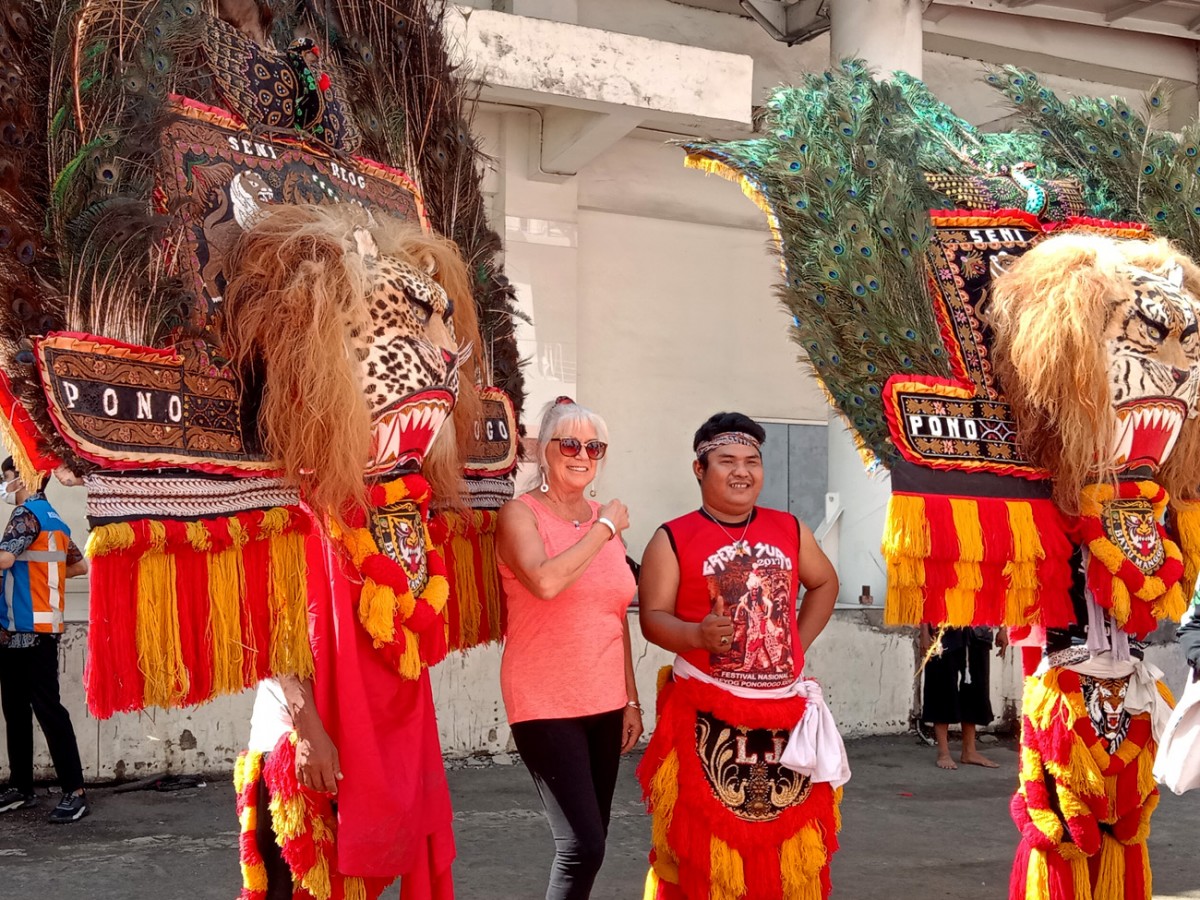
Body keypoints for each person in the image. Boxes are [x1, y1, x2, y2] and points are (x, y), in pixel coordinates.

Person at [637, 412, 844, 900]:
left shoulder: (790, 528)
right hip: (707, 715)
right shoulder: (671, 537)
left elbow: (825, 582)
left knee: (788, 852)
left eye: (752, 461)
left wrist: (797, 643)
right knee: (702, 856)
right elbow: (652, 618)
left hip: (783, 719)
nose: (741, 471)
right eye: (726, 460)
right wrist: (695, 634)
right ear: (699, 468)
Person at [496, 397, 640, 900]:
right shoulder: (521, 514)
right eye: (570, 443)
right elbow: (545, 581)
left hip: (604, 701)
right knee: (580, 845)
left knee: (594, 842)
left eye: (594, 446)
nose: (583, 454)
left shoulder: (606, 520)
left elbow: (614, 614)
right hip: (545, 701)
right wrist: (604, 531)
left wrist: (631, 698)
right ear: (542, 451)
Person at [0, 458, 90, 822]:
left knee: (42, 710)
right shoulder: (54, 518)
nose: (4, 485)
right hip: (33, 628)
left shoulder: (25, 514)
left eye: (5, 477)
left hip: (24, 628)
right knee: (21, 708)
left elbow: (5, 559)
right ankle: (22, 787)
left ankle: (75, 791)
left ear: (22, 476)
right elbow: (79, 566)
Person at [919, 625, 1007, 770]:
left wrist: (1003, 629)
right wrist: (923, 631)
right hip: (943, 629)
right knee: (941, 686)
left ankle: (969, 751)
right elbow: (924, 601)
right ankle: (943, 753)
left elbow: (998, 601)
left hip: (978, 629)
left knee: (976, 688)